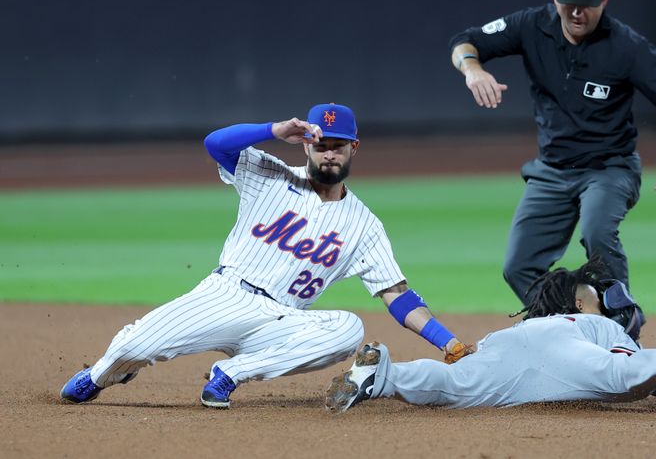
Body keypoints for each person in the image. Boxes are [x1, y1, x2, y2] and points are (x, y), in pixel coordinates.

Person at [60, 102, 472, 409]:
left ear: (354, 149)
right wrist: (273, 129)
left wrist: (448, 342)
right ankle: (102, 374)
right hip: (223, 295)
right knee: (135, 345)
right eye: (321, 145)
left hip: (280, 319)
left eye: (338, 147)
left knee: (348, 328)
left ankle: (229, 375)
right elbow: (214, 144)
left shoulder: (365, 225)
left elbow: (396, 295)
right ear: (307, 145)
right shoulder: (269, 175)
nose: (329, 153)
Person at [448, 0, 656, 306]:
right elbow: (464, 41)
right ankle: (567, 325)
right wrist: (472, 69)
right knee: (518, 266)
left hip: (609, 169)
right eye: (570, 3)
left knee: (597, 232)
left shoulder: (626, 47)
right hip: (551, 172)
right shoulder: (531, 25)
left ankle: (623, 327)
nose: (578, 12)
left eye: (587, 4)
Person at [325, 258, 656, 412]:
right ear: (580, 305)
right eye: (596, 299)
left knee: (451, 386)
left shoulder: (524, 324)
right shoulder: (594, 322)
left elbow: (471, 359)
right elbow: (634, 372)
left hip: (503, 345)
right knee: (620, 375)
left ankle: (383, 376)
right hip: (569, 350)